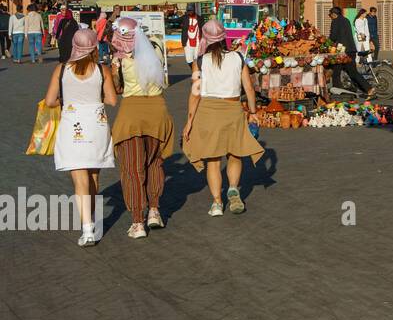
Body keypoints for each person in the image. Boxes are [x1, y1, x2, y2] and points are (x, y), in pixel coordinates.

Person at [44, 28, 118, 246]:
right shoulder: (101, 69)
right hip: (96, 124)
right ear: (94, 46)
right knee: (94, 175)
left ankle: (87, 229)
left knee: (80, 178)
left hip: (72, 123)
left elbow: (49, 101)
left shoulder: (62, 69)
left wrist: (68, 101)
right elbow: (112, 100)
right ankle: (92, 220)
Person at [182, 20, 263, 217]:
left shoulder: (199, 61)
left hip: (208, 111)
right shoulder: (237, 57)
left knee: (213, 160)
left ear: (205, 38)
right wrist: (253, 112)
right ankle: (233, 188)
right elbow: (249, 88)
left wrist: (189, 121)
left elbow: (195, 93)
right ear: (224, 37)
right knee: (235, 154)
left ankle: (217, 203)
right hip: (233, 109)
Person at [108, 18, 173, 239]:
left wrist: (115, 66)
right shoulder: (156, 47)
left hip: (131, 114)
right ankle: (154, 210)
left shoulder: (121, 58)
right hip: (157, 110)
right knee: (155, 162)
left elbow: (117, 88)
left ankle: (138, 222)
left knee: (133, 170)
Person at [327, 6, 373, 96]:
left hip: (342, 51)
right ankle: (369, 89)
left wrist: (327, 43)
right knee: (353, 72)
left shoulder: (335, 21)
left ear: (334, 14)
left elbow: (333, 37)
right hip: (351, 49)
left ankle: (337, 92)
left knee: (336, 72)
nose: (330, 17)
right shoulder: (346, 20)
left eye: (330, 15)